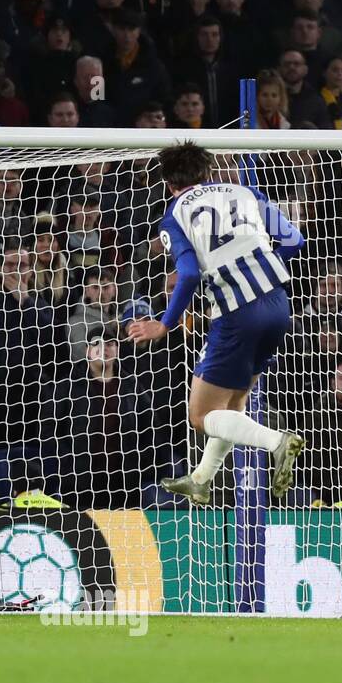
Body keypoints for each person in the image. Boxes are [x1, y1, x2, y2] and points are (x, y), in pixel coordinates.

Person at [127, 141, 306, 504]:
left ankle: (277, 442)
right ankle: (201, 478)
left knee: (200, 415)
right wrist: (262, 268)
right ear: (207, 172)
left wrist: (163, 324)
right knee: (232, 404)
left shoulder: (175, 213)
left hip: (236, 313)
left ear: (167, 181)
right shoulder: (246, 191)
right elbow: (294, 239)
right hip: (277, 304)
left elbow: (189, 274)